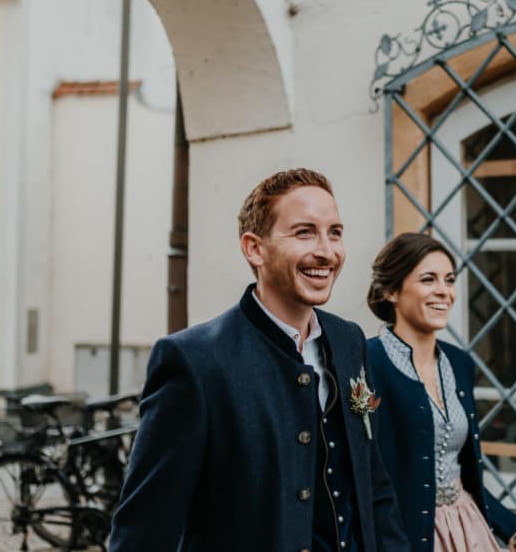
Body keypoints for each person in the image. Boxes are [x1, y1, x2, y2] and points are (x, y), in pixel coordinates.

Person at [109, 168, 409, 552]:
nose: (326, 250)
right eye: (304, 232)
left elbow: (372, 486)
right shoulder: (193, 361)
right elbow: (145, 531)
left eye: (334, 232)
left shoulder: (350, 341)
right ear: (254, 248)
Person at [366, 233, 516, 552]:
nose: (443, 291)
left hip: (467, 528)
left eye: (449, 280)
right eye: (428, 279)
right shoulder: (367, 362)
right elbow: (364, 480)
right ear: (391, 291)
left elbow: (468, 475)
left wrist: (513, 528)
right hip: (401, 538)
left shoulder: (459, 363)